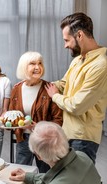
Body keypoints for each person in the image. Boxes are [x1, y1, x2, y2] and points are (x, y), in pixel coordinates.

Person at [45, 12, 107, 163]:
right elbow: (64, 83)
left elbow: (78, 105)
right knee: (69, 181)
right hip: (68, 132)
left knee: (80, 183)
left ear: (79, 35)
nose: (65, 45)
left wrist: (54, 96)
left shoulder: (101, 65)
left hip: (84, 137)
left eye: (67, 40)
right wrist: (42, 84)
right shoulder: (78, 59)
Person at [9, 51, 63, 172]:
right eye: (32, 64)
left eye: (40, 63)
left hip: (44, 140)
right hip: (23, 139)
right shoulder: (16, 89)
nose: (37, 67)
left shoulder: (49, 88)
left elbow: (59, 120)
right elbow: (11, 115)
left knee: (46, 175)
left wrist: (38, 127)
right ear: (24, 67)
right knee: (21, 174)